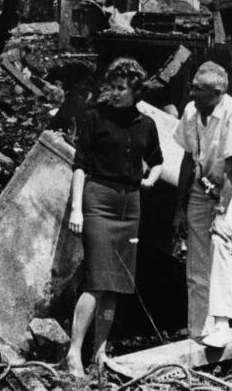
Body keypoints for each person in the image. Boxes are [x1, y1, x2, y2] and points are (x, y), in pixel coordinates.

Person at [65, 58, 164, 376]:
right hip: (98, 201)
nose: (116, 93)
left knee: (117, 285)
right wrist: (77, 208)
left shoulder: (147, 125)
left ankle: (100, 353)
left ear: (136, 91)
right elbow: (80, 164)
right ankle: (73, 353)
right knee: (96, 281)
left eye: (122, 88)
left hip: (129, 206)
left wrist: (151, 178)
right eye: (113, 87)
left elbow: (158, 160)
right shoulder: (95, 118)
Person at [172, 61, 232, 348]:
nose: (192, 92)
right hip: (199, 188)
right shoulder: (192, 111)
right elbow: (185, 160)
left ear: (216, 93)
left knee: (220, 242)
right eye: (192, 86)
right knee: (197, 258)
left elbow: (231, 168)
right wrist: (179, 208)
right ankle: (198, 327)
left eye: (198, 89)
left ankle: (221, 323)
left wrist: (220, 212)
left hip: (229, 190)